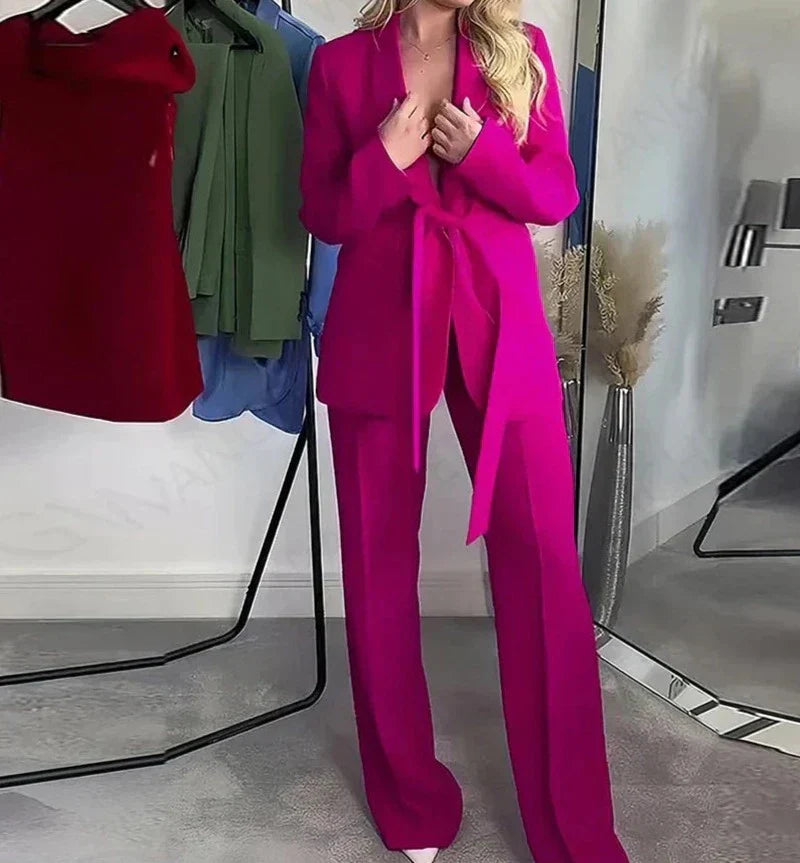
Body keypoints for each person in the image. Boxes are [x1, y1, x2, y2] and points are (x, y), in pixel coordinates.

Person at [299, 2, 630, 862]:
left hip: (497, 314)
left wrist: (481, 153)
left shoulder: (520, 49)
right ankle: (408, 800)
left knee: (544, 562)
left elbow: (554, 194)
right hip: (379, 323)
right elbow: (323, 212)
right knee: (375, 564)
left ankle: (574, 830)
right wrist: (382, 158)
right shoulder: (340, 64)